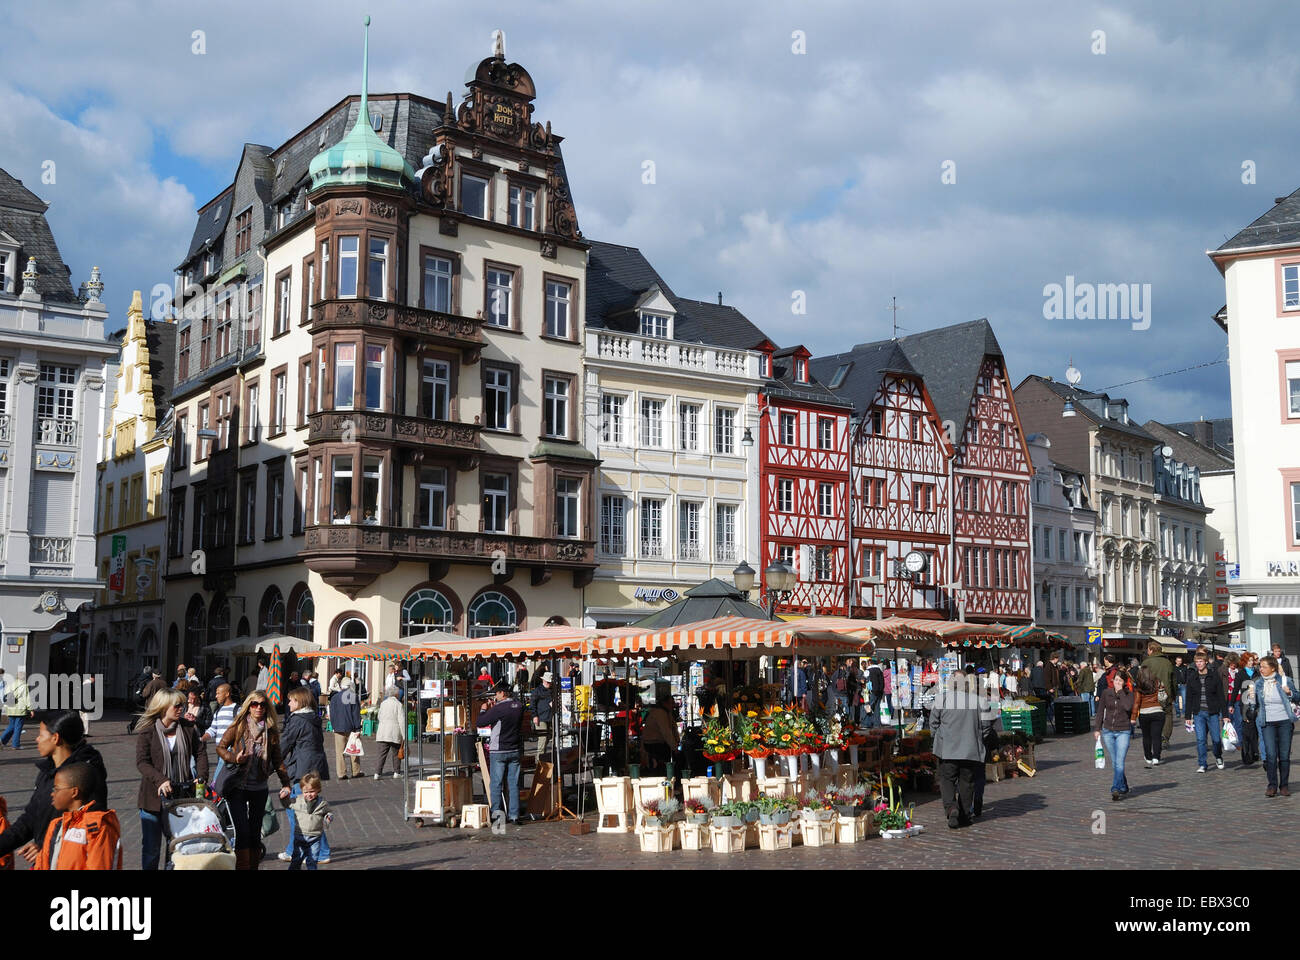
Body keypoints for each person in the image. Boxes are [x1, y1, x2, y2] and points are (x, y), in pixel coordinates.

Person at [0, 712, 108, 866]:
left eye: (40, 734)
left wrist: (46, 847)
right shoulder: (48, 771)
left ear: (55, 738)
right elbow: (30, 817)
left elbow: (88, 829)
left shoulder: (84, 776)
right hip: (45, 860)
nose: (36, 739)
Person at [216, 692, 292, 870]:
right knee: (242, 831)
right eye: (254, 704)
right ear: (249, 706)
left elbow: (277, 759)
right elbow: (220, 747)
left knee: (255, 831)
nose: (259, 707)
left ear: (267, 708)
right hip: (238, 786)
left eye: (262, 705)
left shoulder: (271, 730)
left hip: (259, 787)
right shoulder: (239, 726)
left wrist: (286, 783)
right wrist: (235, 758)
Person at [135, 689, 209, 870]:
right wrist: (160, 780)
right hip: (153, 798)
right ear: (163, 707)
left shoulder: (188, 727)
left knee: (180, 847)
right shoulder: (148, 731)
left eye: (182, 705)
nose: (181, 709)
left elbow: (200, 753)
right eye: (176, 705)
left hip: (182, 797)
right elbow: (142, 762)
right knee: (152, 849)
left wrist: (201, 777)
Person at [930, 674, 993, 828]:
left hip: (947, 749)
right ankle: (964, 815)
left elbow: (933, 723)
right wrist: (976, 737)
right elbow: (986, 726)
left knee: (947, 779)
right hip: (970, 749)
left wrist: (939, 738)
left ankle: (951, 808)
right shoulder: (979, 701)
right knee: (967, 782)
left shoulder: (941, 699)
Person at [33, 762, 121, 871]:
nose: (52, 793)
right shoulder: (56, 824)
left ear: (74, 792)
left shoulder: (96, 827)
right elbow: (43, 863)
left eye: (56, 789)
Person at [277, 686, 331, 864]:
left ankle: (297, 851)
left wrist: (269, 764)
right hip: (313, 765)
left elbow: (284, 745)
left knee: (301, 813)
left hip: (302, 768)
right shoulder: (313, 718)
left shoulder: (298, 720)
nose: (289, 703)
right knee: (310, 813)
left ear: (299, 702)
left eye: (291, 700)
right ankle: (321, 852)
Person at [477, 681, 524, 826]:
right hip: (514, 749)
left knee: (496, 784)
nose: (495, 695)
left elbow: (481, 722)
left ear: (502, 693)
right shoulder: (519, 706)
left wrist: (484, 709)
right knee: (513, 783)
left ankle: (497, 815)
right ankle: (514, 815)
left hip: (499, 749)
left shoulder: (499, 708)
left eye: (497, 693)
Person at [1254, 656, 1300, 797]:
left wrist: (1290, 693)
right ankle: (1272, 785)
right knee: (1271, 755)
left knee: (1284, 755)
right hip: (1267, 722)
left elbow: (1297, 696)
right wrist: (1250, 698)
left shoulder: (1284, 681)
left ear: (1273, 668)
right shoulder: (1258, 683)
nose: (1261, 669)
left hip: (1284, 721)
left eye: (1264, 667)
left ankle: (1284, 785)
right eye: (1260, 667)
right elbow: (1253, 703)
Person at [1095, 670, 1135, 801]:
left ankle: (1115, 788)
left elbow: (1128, 707)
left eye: (1120, 681)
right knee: (1115, 763)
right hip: (1108, 731)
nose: (1117, 683)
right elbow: (1100, 711)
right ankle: (1123, 786)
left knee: (1119, 762)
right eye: (1116, 680)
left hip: (1123, 730)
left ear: (1124, 683)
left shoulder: (1129, 694)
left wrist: (1121, 692)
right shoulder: (1106, 693)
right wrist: (1097, 729)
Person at [1184, 647, 1226, 773]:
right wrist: (1187, 717)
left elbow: (1221, 696)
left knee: (1216, 739)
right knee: (1201, 739)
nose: (1199, 664)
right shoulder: (1192, 677)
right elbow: (1189, 697)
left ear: (1206, 662)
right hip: (1198, 713)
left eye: (1201, 662)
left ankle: (1218, 756)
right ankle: (1202, 763)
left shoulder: (1214, 676)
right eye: (1197, 662)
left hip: (1212, 712)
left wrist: (1225, 714)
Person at [287, 772, 333, 870]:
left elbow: (328, 812)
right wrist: (282, 796)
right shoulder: (297, 800)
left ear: (318, 790)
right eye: (305, 792)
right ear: (302, 791)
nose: (309, 795)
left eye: (312, 791)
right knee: (296, 860)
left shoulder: (322, 803)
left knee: (312, 861)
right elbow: (287, 804)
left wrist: (328, 817)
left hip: (315, 838)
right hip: (300, 836)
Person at [1139, 640, 1176, 747]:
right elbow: (1173, 680)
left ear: (1151, 650)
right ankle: (1165, 737)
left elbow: (1141, 680)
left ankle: (1154, 736)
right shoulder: (1168, 663)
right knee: (1168, 715)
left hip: (1149, 695)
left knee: (1152, 715)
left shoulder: (1146, 663)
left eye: (1148, 650)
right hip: (1166, 693)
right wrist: (1173, 694)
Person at [1130, 667, 1167, 768]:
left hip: (1144, 713)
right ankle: (1156, 757)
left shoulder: (1139, 687)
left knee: (1146, 736)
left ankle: (1148, 756)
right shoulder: (1157, 682)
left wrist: (1133, 717)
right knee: (1157, 736)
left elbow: (1136, 703)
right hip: (1158, 711)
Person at [328, 672, 362, 780]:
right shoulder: (352, 696)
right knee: (353, 750)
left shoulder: (334, 698)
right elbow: (355, 713)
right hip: (351, 727)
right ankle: (355, 771)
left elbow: (331, 714)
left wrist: (333, 726)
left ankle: (341, 773)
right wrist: (358, 728)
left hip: (338, 727)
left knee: (339, 752)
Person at [642, 693, 680, 776]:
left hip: (659, 742)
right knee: (668, 763)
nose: (673, 705)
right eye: (671, 703)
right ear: (664, 703)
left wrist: (676, 741)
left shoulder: (666, 712)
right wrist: (674, 747)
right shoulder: (660, 713)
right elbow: (666, 731)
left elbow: (673, 728)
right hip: (653, 744)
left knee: (672, 759)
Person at [374, 686, 405, 779]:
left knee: (381, 754)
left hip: (383, 731)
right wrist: (404, 735)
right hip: (394, 732)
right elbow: (402, 721)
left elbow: (379, 717)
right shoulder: (398, 704)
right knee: (396, 753)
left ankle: (377, 773)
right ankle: (397, 772)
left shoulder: (383, 703)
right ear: (396, 694)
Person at [1, 671, 32, 749]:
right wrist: (31, 709)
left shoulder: (10, 684)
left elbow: (5, 696)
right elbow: (26, 698)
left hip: (10, 708)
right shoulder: (24, 686)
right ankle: (15, 745)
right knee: (18, 727)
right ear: (24, 677)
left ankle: (2, 741)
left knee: (11, 726)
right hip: (20, 710)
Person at [529, 672, 555, 759]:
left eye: (550, 682)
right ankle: (538, 761)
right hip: (541, 717)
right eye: (547, 682)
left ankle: (545, 758)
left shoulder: (553, 690)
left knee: (548, 739)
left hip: (551, 717)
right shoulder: (537, 691)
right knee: (542, 739)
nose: (549, 683)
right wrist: (534, 716)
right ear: (543, 680)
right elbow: (532, 704)